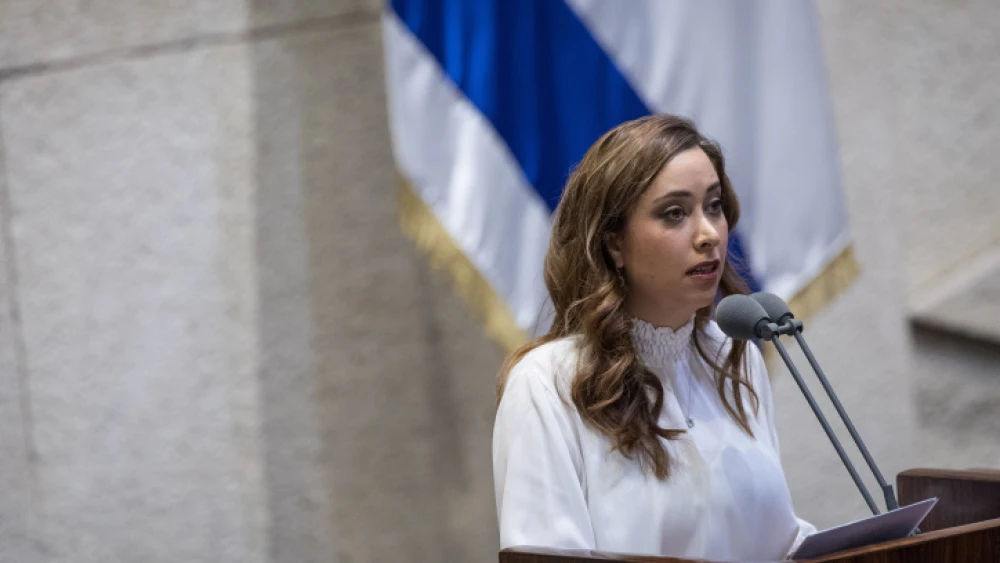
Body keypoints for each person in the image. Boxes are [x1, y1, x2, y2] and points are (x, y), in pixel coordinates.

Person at [492, 114, 815, 561]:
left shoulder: (735, 355)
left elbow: (774, 539)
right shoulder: (548, 385)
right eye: (675, 213)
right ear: (614, 244)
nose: (708, 235)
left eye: (715, 206)